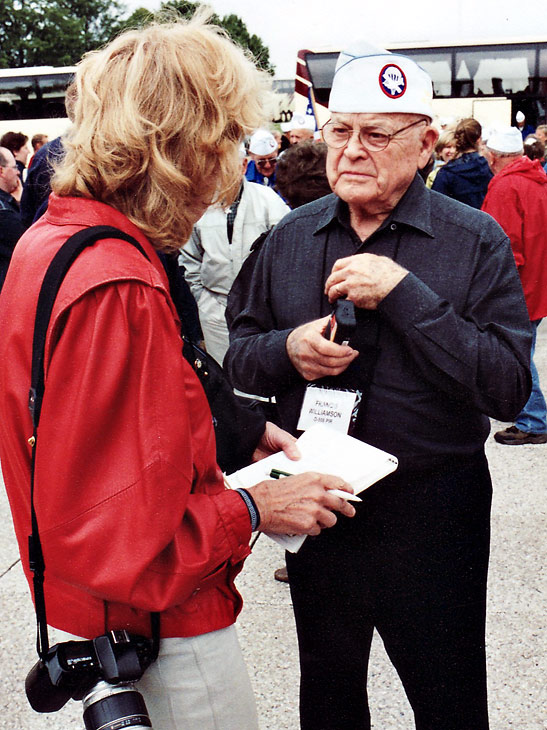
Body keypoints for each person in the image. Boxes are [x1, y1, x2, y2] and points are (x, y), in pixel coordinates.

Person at [0, 18, 356, 730]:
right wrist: (258, 509)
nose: (230, 162)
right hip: (163, 630)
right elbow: (129, 539)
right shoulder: (118, 279)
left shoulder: (53, 240)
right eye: (224, 135)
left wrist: (237, 431)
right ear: (182, 146)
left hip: (100, 616)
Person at [225, 41, 532, 730]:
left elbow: (508, 388)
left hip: (433, 510)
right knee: (329, 698)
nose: (351, 150)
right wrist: (286, 351)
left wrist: (405, 296)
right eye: (340, 130)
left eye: (376, 134)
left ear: (424, 144)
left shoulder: (471, 239)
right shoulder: (291, 236)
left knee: (447, 695)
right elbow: (236, 360)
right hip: (320, 505)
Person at [181, 144, 289, 363]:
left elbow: (286, 255)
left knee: (257, 373)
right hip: (215, 306)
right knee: (223, 376)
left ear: (243, 165)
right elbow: (189, 258)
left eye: (226, 166)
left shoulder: (268, 201)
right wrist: (203, 298)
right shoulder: (200, 204)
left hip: (259, 309)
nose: (220, 173)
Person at [481, 127, 547, 445]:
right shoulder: (537, 179)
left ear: (493, 157)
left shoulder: (505, 187)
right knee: (525, 350)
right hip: (538, 281)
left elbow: (502, 247)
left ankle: (534, 420)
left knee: (519, 356)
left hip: (519, 288)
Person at [431, 117, 492, 207]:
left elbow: (435, 205)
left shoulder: (447, 173)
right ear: (479, 140)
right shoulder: (490, 168)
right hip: (486, 219)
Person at [0, 146, 25, 290]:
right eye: (14, 167)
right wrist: (22, 205)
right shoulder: (4, 213)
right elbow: (25, 244)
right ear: (1, 171)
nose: (18, 171)